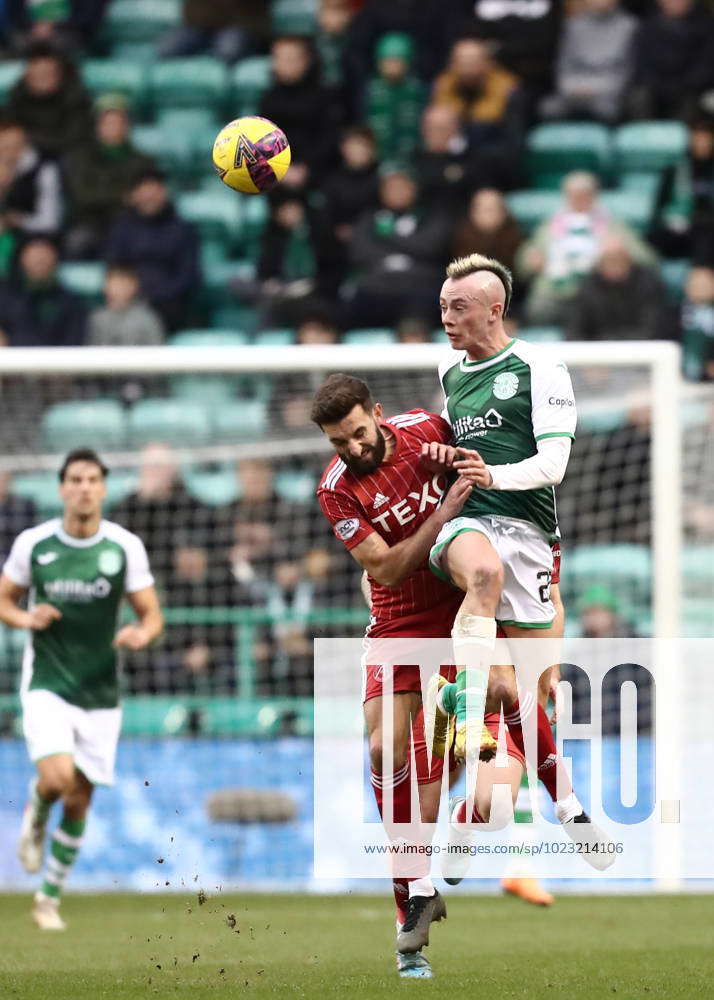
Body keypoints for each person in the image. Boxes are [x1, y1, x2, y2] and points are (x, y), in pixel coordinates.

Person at [425, 252, 613, 865]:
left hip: (530, 535)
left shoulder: (541, 367)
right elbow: (452, 457)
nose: (447, 318)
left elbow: (553, 466)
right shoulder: (448, 373)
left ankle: (486, 808)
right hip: (472, 527)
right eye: (444, 306)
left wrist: (493, 473)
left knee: (524, 700)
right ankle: (558, 802)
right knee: (481, 579)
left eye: (459, 307)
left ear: (494, 310)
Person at [312, 373, 473, 978]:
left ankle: (426, 883)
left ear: (376, 414)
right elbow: (388, 567)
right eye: (339, 442)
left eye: (358, 433)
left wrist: (456, 462)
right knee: (382, 748)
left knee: (429, 796)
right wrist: (446, 507)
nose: (353, 449)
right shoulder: (335, 490)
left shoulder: (424, 429)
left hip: (461, 616)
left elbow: (480, 464)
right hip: (399, 623)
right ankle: (413, 907)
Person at [0, 447, 163, 930]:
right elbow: (4, 600)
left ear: (104, 487)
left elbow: (152, 614)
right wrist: (27, 617)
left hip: (100, 690)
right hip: (47, 680)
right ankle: (35, 812)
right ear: (61, 488)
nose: (84, 487)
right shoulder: (35, 544)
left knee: (79, 800)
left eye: (93, 479)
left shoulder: (123, 547)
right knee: (56, 780)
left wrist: (141, 633)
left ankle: (48, 898)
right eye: (75, 479)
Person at [516, 171, 658, 325]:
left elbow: (648, 260)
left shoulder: (614, 225)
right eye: (574, 195)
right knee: (538, 309)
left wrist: (620, 255)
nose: (579, 200)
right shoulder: (549, 226)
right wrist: (531, 260)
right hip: (555, 293)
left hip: (599, 294)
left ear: (594, 196)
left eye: (584, 194)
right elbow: (524, 261)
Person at [104, 169, 201, 331]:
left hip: (170, 305)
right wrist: (125, 293)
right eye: (143, 190)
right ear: (133, 195)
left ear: (165, 193)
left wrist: (156, 297)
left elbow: (189, 276)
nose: (149, 197)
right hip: (128, 300)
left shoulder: (183, 230)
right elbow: (114, 268)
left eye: (155, 190)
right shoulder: (121, 229)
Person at [63, 97, 156, 260]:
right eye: (109, 123)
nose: (115, 128)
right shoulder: (79, 158)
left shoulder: (144, 161)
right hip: (90, 225)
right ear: (98, 127)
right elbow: (82, 196)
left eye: (120, 123)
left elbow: (147, 197)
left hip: (131, 225)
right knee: (76, 242)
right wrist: (123, 198)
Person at [540, 0, 637, 123]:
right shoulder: (573, 26)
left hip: (610, 96)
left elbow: (627, 73)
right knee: (548, 108)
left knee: (609, 110)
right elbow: (562, 69)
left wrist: (594, 90)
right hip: (573, 93)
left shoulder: (630, 27)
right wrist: (573, 88)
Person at [567, 237, 674, 342]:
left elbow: (653, 330)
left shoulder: (648, 283)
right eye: (609, 259)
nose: (614, 264)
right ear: (600, 263)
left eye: (619, 258)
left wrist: (608, 342)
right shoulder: (588, 286)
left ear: (628, 258)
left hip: (640, 353)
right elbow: (574, 332)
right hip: (598, 355)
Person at [4, 44, 93, 158]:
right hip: (26, 154)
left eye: (47, 74)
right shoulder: (18, 95)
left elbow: (76, 136)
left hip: (66, 155)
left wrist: (31, 139)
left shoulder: (76, 97)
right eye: (36, 75)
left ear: (59, 74)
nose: (41, 80)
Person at [0, 235, 87, 346]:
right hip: (12, 361)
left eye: (44, 255)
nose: (39, 260)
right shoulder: (6, 297)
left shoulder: (72, 301)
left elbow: (74, 341)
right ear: (22, 258)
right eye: (34, 255)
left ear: (55, 257)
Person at [364, 32, 426, 163]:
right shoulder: (369, 91)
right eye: (387, 61)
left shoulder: (418, 89)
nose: (392, 66)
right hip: (376, 157)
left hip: (414, 156)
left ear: (408, 62)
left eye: (397, 60)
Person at [0, 117, 62, 239]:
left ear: (24, 143)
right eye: (4, 147)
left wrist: (16, 221)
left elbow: (50, 222)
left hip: (34, 238)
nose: (8, 153)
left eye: (15, 146)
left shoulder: (45, 169)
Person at [87, 266, 164, 348]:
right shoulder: (97, 317)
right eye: (115, 284)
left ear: (135, 286)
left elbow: (158, 351)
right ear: (106, 286)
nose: (119, 289)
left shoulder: (148, 318)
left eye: (124, 284)